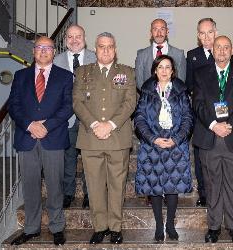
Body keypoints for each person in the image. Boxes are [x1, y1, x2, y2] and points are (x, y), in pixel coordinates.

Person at [8, 36, 73, 246]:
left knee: (55, 185)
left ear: (54, 52)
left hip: (52, 137)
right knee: (30, 186)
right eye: (39, 47)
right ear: (33, 51)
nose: (44, 51)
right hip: (26, 138)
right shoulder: (20, 76)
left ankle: (57, 227)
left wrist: (46, 126)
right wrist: (30, 125)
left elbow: (68, 106)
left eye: (48, 48)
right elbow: (14, 106)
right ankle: (31, 228)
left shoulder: (65, 76)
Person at [73, 32, 136, 245]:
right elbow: (77, 102)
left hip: (117, 137)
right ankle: (100, 227)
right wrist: (94, 125)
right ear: (95, 49)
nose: (106, 50)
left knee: (117, 186)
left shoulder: (127, 72)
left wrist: (109, 125)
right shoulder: (82, 73)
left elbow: (130, 103)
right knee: (95, 185)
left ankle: (116, 228)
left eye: (110, 46)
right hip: (91, 138)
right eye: (102, 46)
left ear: (115, 49)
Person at [192, 35, 233, 246]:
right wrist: (213, 125)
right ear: (212, 49)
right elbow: (198, 104)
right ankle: (214, 226)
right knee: (212, 184)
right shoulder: (201, 74)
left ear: (232, 51)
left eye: (226, 47)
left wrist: (229, 125)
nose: (221, 50)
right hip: (210, 138)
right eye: (218, 47)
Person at [135, 55, 193, 242]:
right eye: (161, 67)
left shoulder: (181, 91)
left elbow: (187, 118)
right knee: (155, 186)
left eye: (168, 67)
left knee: (172, 186)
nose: (164, 70)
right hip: (153, 146)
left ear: (173, 71)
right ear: (155, 70)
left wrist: (175, 139)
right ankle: (159, 226)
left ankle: (170, 225)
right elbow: (140, 118)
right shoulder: (147, 91)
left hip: (175, 145)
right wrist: (153, 139)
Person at [54, 24, 96, 209]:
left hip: (90, 117)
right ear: (65, 41)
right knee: (68, 157)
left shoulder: (95, 58)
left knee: (89, 158)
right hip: (66, 118)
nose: (74, 40)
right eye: (70, 37)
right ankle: (68, 193)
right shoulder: (56, 60)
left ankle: (90, 193)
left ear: (84, 38)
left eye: (78, 36)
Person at [186, 17, 218, 207]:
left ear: (216, 32)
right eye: (202, 33)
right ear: (198, 35)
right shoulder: (192, 55)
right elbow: (190, 84)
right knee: (200, 155)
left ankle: (219, 189)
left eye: (210, 32)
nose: (206, 37)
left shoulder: (226, 51)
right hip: (200, 114)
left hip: (222, 114)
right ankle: (204, 192)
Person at [135, 18, 186, 90]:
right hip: (148, 98)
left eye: (162, 29)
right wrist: (152, 96)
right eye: (155, 29)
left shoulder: (179, 54)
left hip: (171, 99)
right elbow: (139, 82)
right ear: (151, 33)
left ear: (167, 31)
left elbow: (181, 82)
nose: (159, 33)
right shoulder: (141, 55)